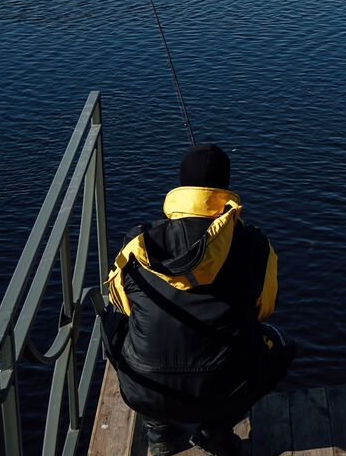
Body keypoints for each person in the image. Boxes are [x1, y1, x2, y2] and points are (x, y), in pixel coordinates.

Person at [105, 143, 295, 456]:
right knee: (281, 345)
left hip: (145, 390)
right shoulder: (256, 245)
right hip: (223, 390)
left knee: (115, 323)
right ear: (224, 189)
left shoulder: (138, 242)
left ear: (181, 187)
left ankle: (158, 434)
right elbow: (265, 309)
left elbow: (120, 303)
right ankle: (216, 432)